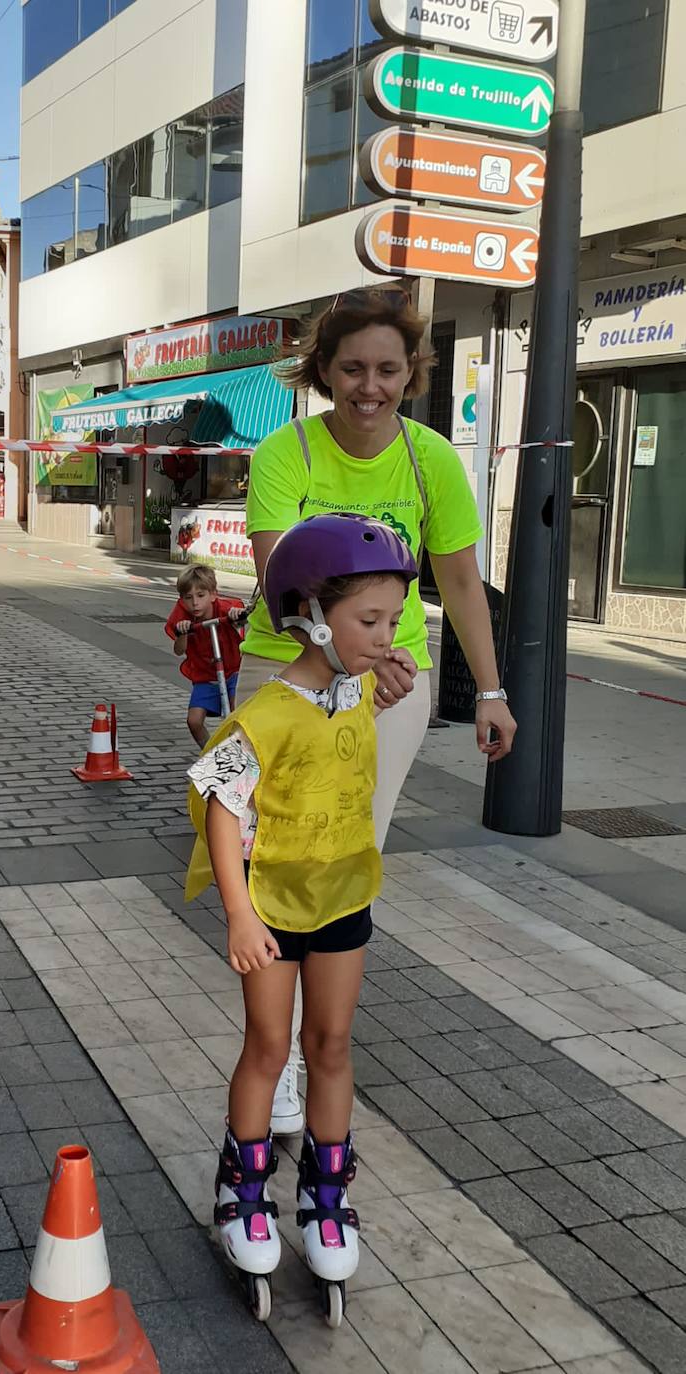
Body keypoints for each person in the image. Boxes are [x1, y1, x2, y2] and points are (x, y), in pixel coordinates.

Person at [239, 286, 518, 1137]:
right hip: (284, 666)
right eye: (352, 367)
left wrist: (492, 690)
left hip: (393, 680)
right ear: (323, 371)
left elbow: (460, 581)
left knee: (346, 857)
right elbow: (279, 579)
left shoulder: (431, 458)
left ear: (411, 373)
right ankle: (274, 1051)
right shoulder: (285, 453)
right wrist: (345, 666)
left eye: (387, 369)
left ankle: (317, 1040)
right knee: (272, 857)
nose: (370, 385)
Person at [186, 513, 417, 1323]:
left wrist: (391, 672)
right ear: (311, 614)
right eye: (369, 622)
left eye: (393, 620)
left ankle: (325, 1194)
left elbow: (376, 695)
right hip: (275, 909)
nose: (386, 637)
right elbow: (220, 804)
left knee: (332, 1045)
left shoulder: (355, 688)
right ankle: (242, 1188)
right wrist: (239, 915)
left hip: (344, 902)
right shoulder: (268, 713)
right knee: (268, 1045)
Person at [165, 565, 246, 746]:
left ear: (213, 594)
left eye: (201, 596)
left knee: (236, 714)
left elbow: (240, 622)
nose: (194, 603)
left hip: (232, 672)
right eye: (188, 598)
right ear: (181, 600)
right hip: (205, 677)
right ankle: (209, 753)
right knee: (193, 721)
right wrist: (183, 632)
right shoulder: (182, 616)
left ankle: (240, 752)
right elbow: (178, 650)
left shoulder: (225, 609)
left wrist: (236, 618)